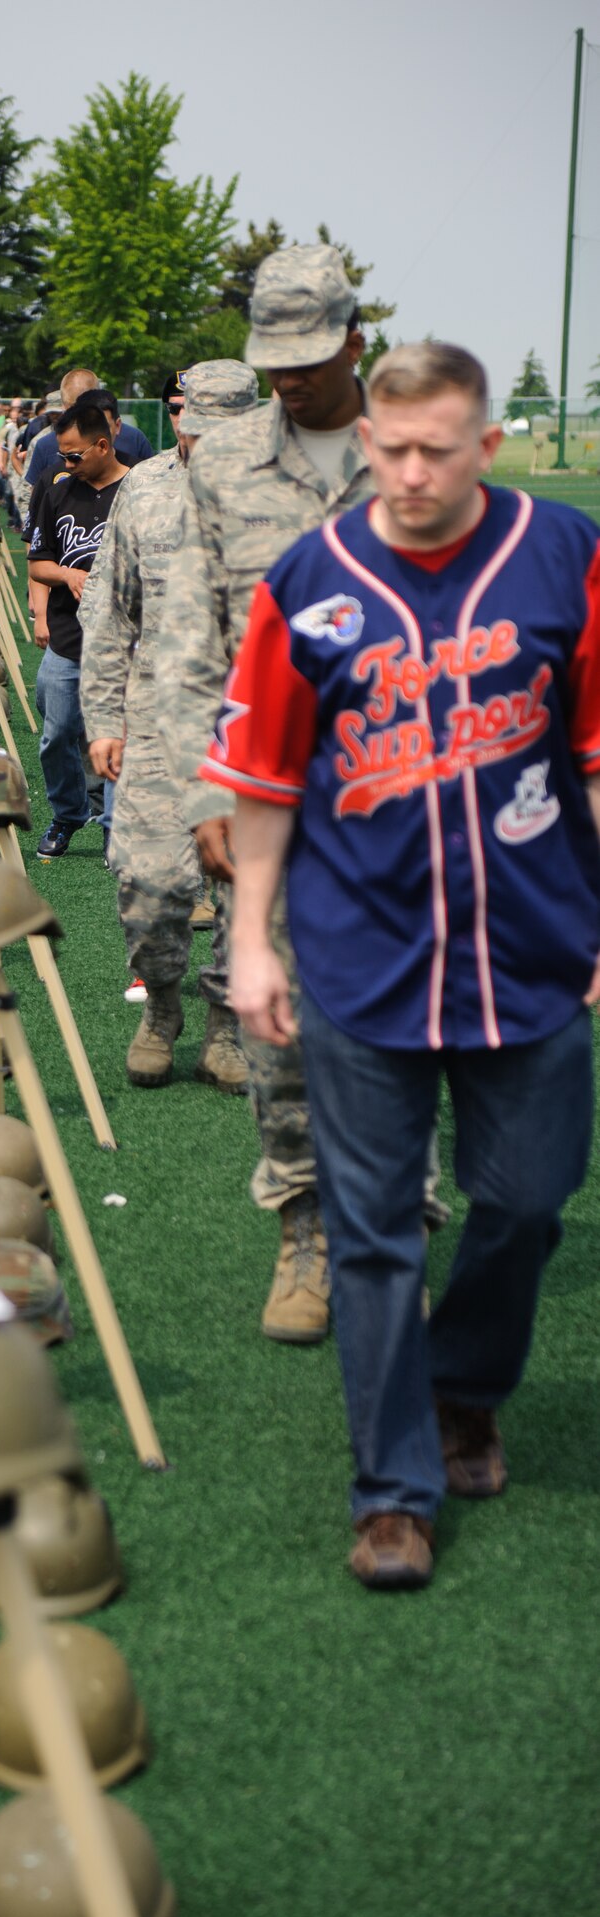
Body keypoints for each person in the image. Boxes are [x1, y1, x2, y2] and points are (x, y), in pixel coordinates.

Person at [204, 339, 600, 1588]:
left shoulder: (563, 553)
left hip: (529, 951)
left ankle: (465, 1382)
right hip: (360, 956)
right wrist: (250, 937)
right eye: (393, 449)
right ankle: (392, 1489)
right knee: (372, 1234)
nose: (414, 471)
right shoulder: (305, 580)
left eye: (440, 448)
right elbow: (263, 776)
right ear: (365, 446)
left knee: (528, 1201)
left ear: (486, 444)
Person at [160, 241, 392, 1346]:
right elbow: (196, 643)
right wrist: (206, 787)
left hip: (409, 796)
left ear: (355, 339)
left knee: (401, 1025)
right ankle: (303, 1224)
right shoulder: (224, 463)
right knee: (280, 1024)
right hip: (275, 799)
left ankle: (389, 1236)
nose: (286, 378)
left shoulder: (411, 451)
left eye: (306, 356)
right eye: (270, 359)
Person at [81, 360, 257, 1092]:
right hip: (156, 714)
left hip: (256, 720)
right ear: (178, 418)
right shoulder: (143, 491)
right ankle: (160, 1006)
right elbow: (108, 609)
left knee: (252, 889)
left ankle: (227, 1026)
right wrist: (101, 714)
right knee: (149, 883)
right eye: (192, 427)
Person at [27, 399, 128, 858]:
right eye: (61, 455)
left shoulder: (140, 489)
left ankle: (113, 826)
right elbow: (37, 561)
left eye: (73, 455)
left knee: (119, 737)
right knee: (56, 732)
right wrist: (66, 576)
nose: (64, 464)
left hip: (127, 639)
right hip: (69, 636)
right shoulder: (58, 489)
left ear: (103, 445)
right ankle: (69, 813)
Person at [26, 382, 156, 490]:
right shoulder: (56, 483)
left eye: (75, 457)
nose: (69, 465)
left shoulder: (138, 469)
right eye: (65, 456)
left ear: (117, 426)